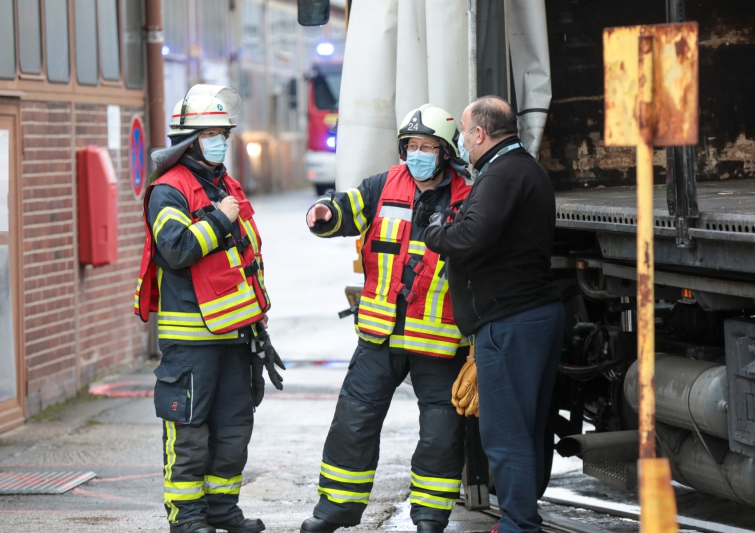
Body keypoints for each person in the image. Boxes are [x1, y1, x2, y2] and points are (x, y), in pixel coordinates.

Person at [301, 104, 472, 533]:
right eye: (411, 146)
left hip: (438, 343)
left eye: (427, 147)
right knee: (353, 423)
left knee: (440, 433)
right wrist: (324, 213)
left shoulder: (468, 197)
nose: (417, 154)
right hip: (379, 336)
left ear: (446, 152)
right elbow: (347, 208)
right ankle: (334, 510)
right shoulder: (384, 184)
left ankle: (430, 518)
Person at [134, 85, 284, 533]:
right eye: (209, 133)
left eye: (223, 132)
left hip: (236, 337)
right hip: (192, 342)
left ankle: (222, 510)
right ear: (188, 140)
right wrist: (220, 218)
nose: (219, 141)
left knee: (234, 429)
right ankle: (189, 518)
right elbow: (176, 249)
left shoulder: (224, 184)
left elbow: (245, 263)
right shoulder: (168, 190)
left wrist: (259, 326)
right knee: (190, 435)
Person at [423, 96, 564, 533]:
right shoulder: (524, 168)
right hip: (531, 314)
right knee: (529, 427)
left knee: (506, 434)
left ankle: (520, 524)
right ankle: (523, 516)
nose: (462, 141)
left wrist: (433, 230)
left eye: (464, 132)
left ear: (480, 134)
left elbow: (472, 235)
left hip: (509, 322)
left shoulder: (501, 174)